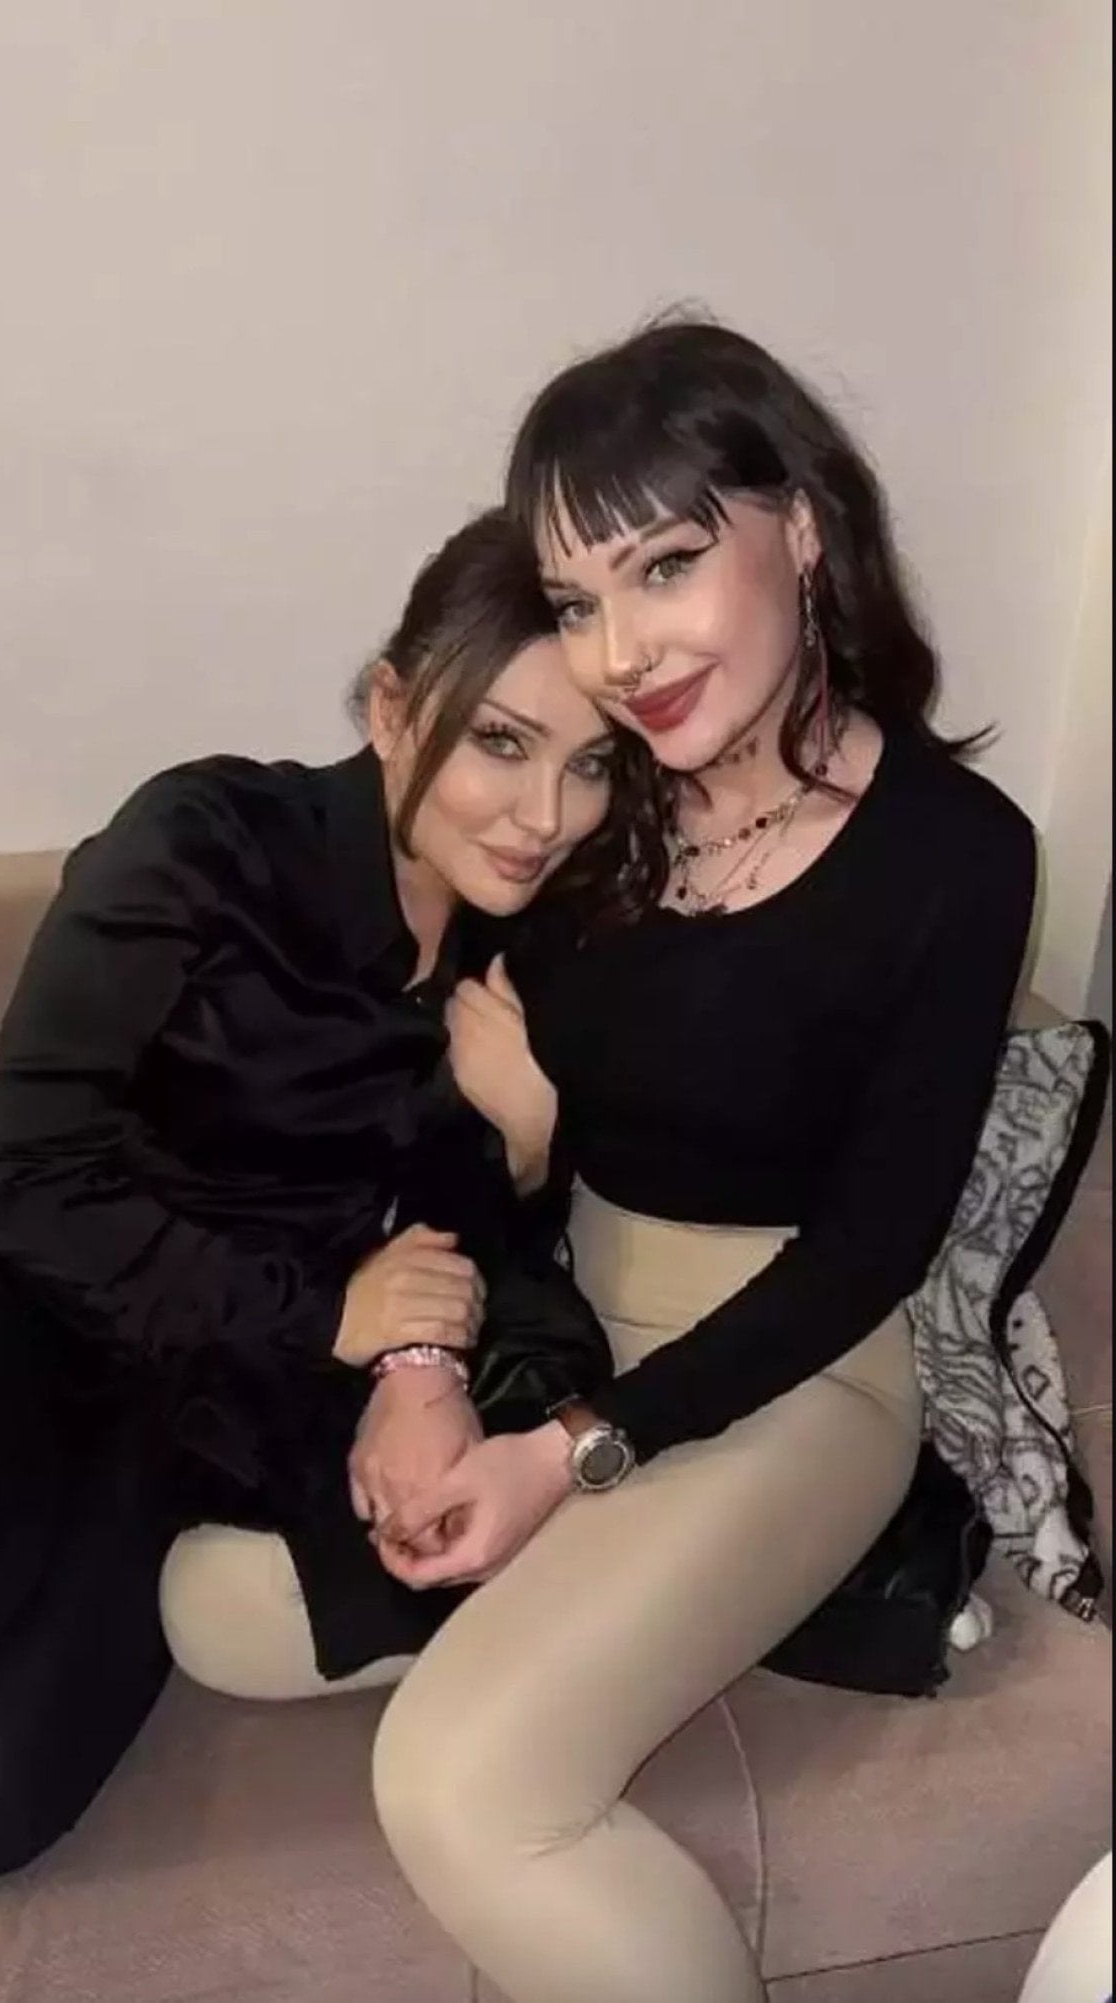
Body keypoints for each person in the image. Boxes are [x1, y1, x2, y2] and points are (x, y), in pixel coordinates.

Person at [353, 318, 1035, 2003]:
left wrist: (568, 1455)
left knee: (460, 1785)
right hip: (573, 1321)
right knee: (221, 1608)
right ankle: (691, 1605)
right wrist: (425, 1367)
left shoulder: (954, 857)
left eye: (663, 567)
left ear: (798, 525)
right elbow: (458, 1117)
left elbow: (871, 1249)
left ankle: (767, 1570)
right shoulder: (600, 807)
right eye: (578, 601)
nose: (620, 654)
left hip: (799, 1374)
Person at [0, 508, 655, 1890]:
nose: (546, 816)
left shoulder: (542, 936)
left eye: (592, 762)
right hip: (2, 1272)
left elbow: (459, 1236)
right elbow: (24, 1174)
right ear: (393, 708)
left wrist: (527, 1149)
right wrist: (330, 1315)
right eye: (501, 742)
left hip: (196, 1391)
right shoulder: (206, 839)